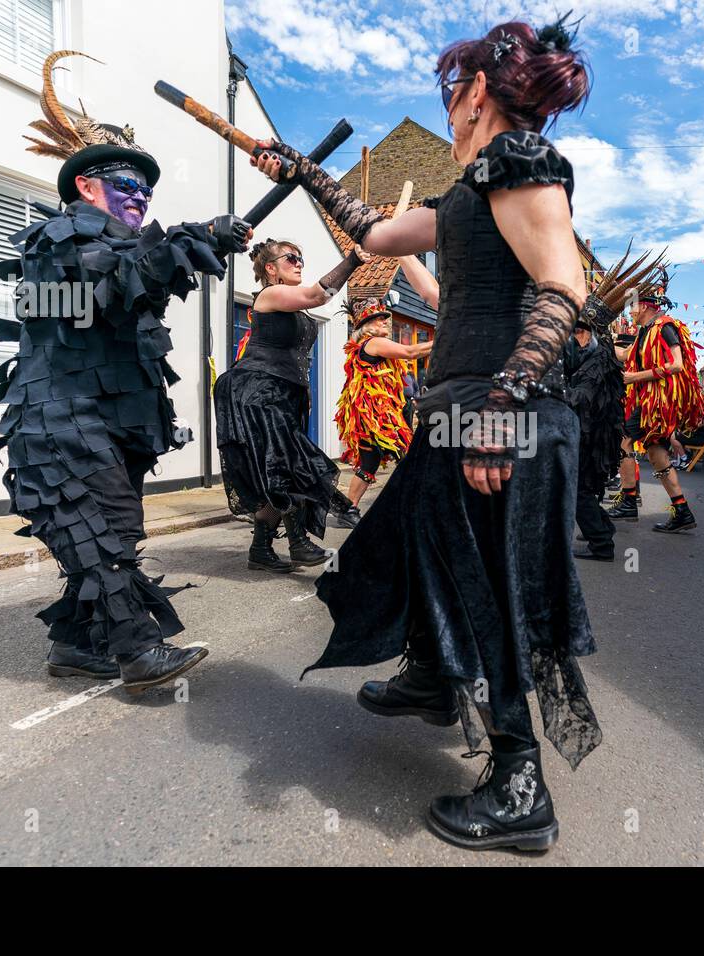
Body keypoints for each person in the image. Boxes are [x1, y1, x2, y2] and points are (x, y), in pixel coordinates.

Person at [256, 16, 600, 849]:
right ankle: (433, 677)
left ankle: (520, 785)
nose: (447, 114)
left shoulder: (517, 163)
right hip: (456, 419)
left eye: (451, 96)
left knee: (497, 597)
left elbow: (564, 288)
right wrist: (304, 171)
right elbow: (372, 234)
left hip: (497, 420)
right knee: (406, 546)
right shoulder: (468, 195)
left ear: (475, 91)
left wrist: (499, 411)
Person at [0, 52, 249, 691]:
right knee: (102, 532)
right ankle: (137, 651)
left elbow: (133, 287)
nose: (139, 195)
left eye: (146, 188)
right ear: (85, 186)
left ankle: (73, 646)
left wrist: (193, 244)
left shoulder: (122, 248)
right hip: (62, 423)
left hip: (104, 423)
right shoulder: (56, 242)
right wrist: (189, 238)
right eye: (124, 183)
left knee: (105, 530)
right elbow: (104, 287)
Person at [215, 239, 364, 572]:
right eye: (291, 258)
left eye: (301, 258)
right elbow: (317, 294)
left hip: (282, 394)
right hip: (255, 391)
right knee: (289, 465)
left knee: (277, 471)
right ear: (271, 269)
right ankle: (298, 543)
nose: (299, 263)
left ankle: (260, 550)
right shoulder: (269, 296)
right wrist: (352, 259)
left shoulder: (296, 307)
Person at [565, 251, 656, 561]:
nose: (572, 336)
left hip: (590, 438)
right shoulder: (599, 355)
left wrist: (556, 393)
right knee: (583, 489)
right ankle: (602, 528)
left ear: (590, 332)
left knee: (577, 491)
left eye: (577, 330)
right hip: (593, 437)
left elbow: (581, 399)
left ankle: (601, 543)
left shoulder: (596, 360)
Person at [604, 276, 704, 531]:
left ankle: (629, 499)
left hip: (657, 404)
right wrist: (600, 339)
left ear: (647, 305)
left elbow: (677, 364)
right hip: (650, 403)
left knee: (624, 441)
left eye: (633, 306)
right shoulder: (644, 332)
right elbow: (626, 354)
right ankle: (682, 510)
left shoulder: (665, 327)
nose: (631, 312)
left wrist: (635, 377)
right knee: (656, 453)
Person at [334, 296, 432, 522]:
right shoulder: (373, 342)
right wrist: (444, 339)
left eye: (384, 319)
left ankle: (349, 509)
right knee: (406, 455)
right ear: (366, 327)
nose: (384, 323)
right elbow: (411, 353)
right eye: (378, 320)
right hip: (376, 415)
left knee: (370, 462)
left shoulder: (366, 345)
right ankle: (412, 508)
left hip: (371, 414)